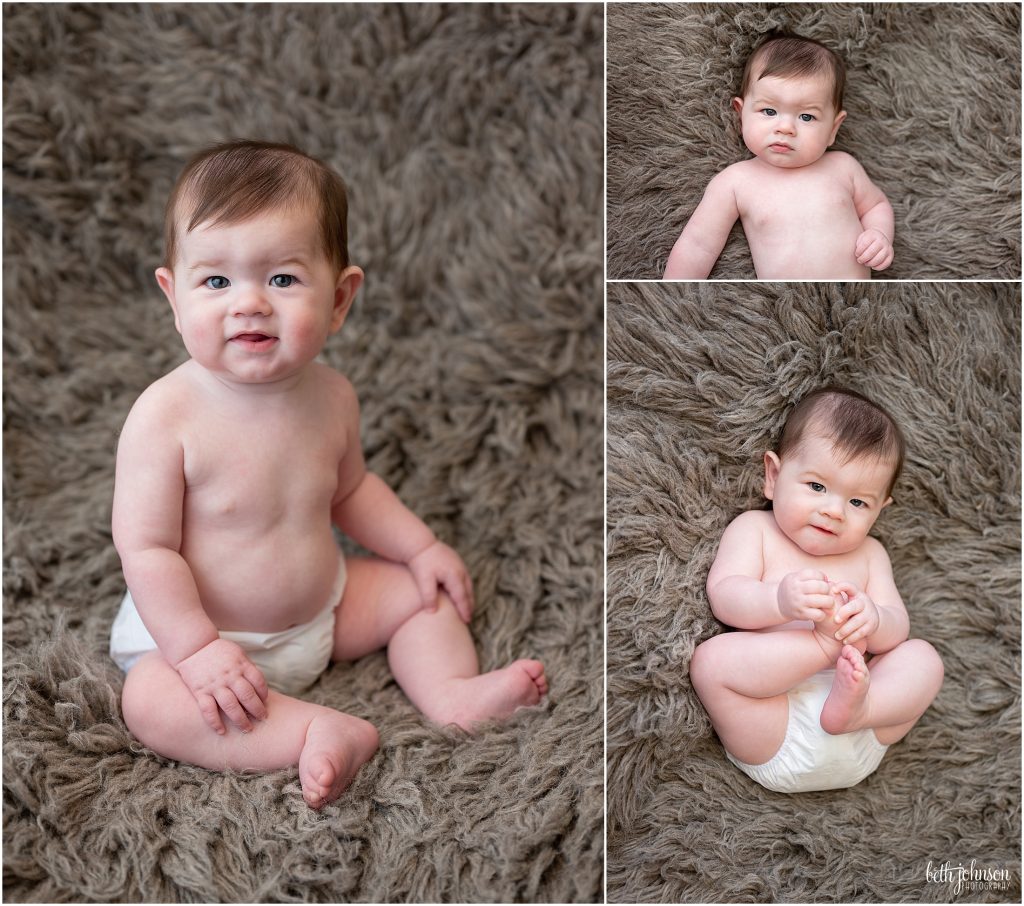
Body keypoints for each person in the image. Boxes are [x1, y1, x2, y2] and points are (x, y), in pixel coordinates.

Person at [110, 140, 548, 809]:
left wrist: (418, 547)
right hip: (201, 640)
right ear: (173, 295)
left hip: (322, 612)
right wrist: (197, 649)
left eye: (282, 279)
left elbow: (351, 493)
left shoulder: (332, 396)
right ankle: (314, 729)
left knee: (416, 596)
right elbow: (146, 548)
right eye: (216, 281)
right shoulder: (163, 417)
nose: (249, 303)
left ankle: (451, 693)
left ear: (340, 298)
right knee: (147, 700)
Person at [689, 387, 942, 793]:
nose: (834, 511)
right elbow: (725, 595)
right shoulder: (756, 530)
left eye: (859, 502)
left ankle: (862, 709)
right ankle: (822, 649)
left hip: (862, 729)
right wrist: (777, 600)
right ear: (774, 476)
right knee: (710, 663)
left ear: (880, 509)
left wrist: (875, 619)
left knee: (923, 658)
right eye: (817, 487)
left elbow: (897, 628)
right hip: (774, 721)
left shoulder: (871, 554)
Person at [663, 34, 894, 279]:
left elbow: (876, 206)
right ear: (742, 114)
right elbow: (698, 245)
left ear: (833, 129)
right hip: (786, 305)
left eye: (807, 117)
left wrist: (879, 235)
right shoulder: (734, 182)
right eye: (769, 111)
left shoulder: (843, 167)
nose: (785, 128)